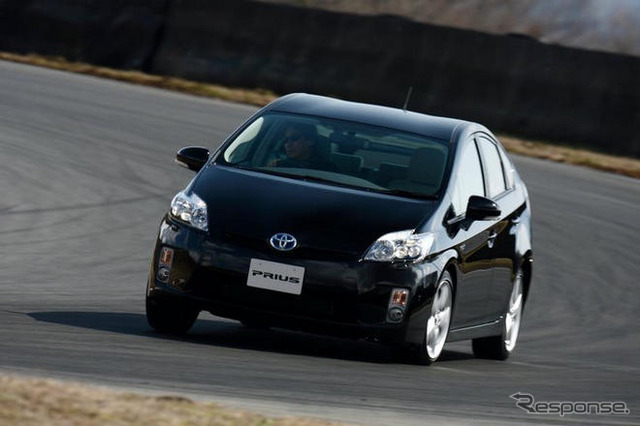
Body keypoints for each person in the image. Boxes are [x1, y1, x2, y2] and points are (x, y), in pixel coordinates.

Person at [269, 123, 334, 170]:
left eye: (294, 138)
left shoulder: (328, 170)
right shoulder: (279, 166)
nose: (288, 144)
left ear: (310, 140)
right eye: (286, 140)